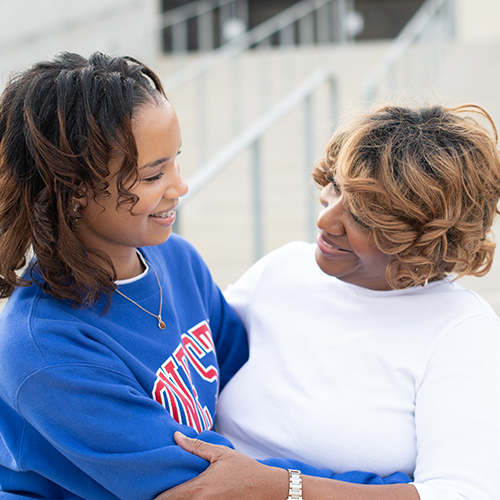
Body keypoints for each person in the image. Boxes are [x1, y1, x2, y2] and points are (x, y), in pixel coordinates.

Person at [0, 53, 411, 500]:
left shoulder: (176, 258)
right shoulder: (47, 349)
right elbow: (214, 485)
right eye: (154, 174)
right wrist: (397, 489)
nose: (179, 186)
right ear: (75, 190)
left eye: (174, 160)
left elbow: (251, 387)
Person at [156, 104, 500, 500]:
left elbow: (463, 492)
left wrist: (281, 488)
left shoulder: (463, 331)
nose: (326, 220)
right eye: (336, 188)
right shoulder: (285, 268)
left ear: (423, 237)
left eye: (364, 216)